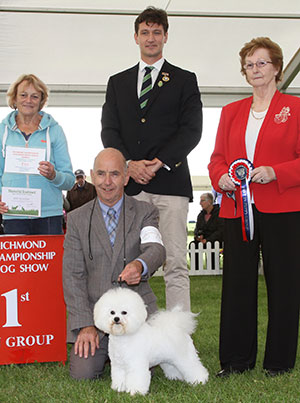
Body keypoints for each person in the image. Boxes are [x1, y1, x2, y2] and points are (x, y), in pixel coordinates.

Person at [208, 37, 300, 378]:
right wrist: (222, 178)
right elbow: (217, 159)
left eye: (261, 63)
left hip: (284, 208)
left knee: (285, 283)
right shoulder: (231, 112)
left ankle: (279, 362)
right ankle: (234, 360)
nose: (255, 69)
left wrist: (276, 172)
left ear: (276, 68)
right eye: (249, 64)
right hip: (237, 209)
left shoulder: (296, 108)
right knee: (237, 284)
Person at [101, 6, 202, 311]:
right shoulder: (117, 82)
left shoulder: (185, 79)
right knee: (127, 263)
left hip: (171, 184)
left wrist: (158, 163)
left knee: (174, 265)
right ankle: (129, 336)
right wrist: (129, 164)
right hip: (131, 187)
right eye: (145, 32)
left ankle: (179, 342)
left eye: (157, 32)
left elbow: (191, 130)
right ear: (136, 37)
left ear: (166, 36)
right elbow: (109, 129)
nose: (151, 38)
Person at [63, 148, 166, 380]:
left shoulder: (145, 211)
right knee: (83, 375)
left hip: (137, 315)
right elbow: (72, 276)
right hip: (95, 317)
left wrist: (140, 265)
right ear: (91, 175)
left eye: (115, 174)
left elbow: (156, 249)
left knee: (146, 364)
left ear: (127, 176)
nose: (107, 182)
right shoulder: (77, 219)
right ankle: (107, 351)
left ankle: (120, 353)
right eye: (100, 174)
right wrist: (85, 324)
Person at [0, 74, 74, 235]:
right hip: (13, 214)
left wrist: (54, 175)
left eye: (35, 96)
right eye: (23, 95)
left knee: (49, 261)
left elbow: (69, 181)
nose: (29, 100)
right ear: (14, 98)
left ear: (41, 101)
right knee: (17, 261)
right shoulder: (2, 131)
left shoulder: (55, 131)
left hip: (48, 215)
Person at [189, 192, 224, 270]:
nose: (200, 203)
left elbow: (221, 231)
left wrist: (208, 240)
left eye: (202, 201)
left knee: (212, 245)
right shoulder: (201, 215)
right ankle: (196, 268)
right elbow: (197, 229)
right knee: (193, 245)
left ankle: (213, 267)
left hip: (215, 240)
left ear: (209, 202)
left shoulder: (219, 213)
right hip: (203, 240)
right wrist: (198, 236)